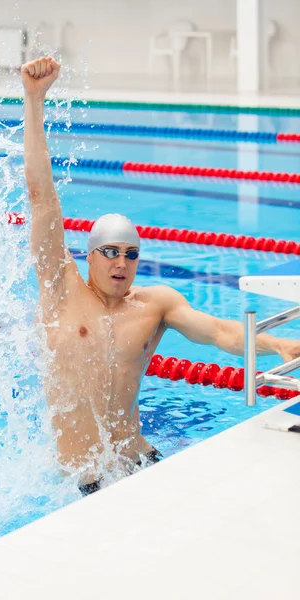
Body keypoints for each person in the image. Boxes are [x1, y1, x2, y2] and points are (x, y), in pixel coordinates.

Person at [21, 56, 300, 496]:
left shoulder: (156, 305)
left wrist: (279, 344)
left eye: (131, 254)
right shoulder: (62, 288)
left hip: (138, 458)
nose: (121, 263)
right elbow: (41, 198)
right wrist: (34, 101)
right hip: (84, 478)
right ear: (89, 256)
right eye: (110, 252)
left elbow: (222, 333)